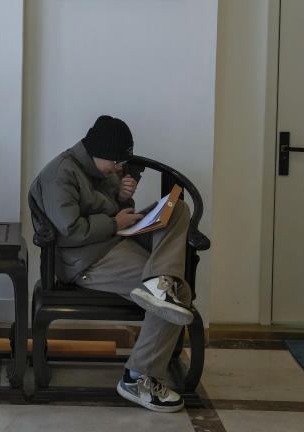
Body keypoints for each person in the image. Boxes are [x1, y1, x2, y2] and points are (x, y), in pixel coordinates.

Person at [28, 115, 193, 413]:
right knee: (176, 296)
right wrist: (115, 221)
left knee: (176, 209)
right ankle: (138, 377)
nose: (118, 169)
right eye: (115, 163)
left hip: (114, 242)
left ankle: (159, 281)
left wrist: (122, 198)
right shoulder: (60, 174)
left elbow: (114, 213)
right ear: (97, 151)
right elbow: (71, 230)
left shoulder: (100, 168)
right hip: (85, 260)